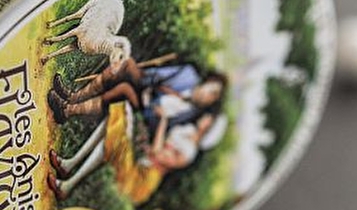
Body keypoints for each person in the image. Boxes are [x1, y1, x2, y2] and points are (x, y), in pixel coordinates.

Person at [47, 102, 216, 206]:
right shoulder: (186, 130)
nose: (205, 119)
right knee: (117, 121)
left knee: (117, 134)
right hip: (143, 163)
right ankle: (68, 167)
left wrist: (163, 121)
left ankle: (67, 183)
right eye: (207, 117)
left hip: (141, 179)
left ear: (208, 130)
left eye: (209, 122)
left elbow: (158, 154)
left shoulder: (190, 153)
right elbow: (158, 149)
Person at [47, 57, 227, 126]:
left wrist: (156, 113)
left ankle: (68, 111)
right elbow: (159, 74)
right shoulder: (188, 74)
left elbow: (161, 123)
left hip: (146, 109)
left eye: (211, 97)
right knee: (127, 64)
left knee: (124, 89)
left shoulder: (190, 113)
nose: (207, 94)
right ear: (208, 82)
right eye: (210, 89)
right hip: (149, 85)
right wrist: (140, 77)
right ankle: (73, 96)